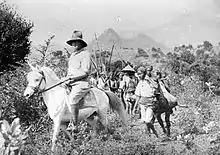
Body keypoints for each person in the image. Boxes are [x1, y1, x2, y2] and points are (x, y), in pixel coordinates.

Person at [62, 30, 91, 131]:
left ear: (80, 43)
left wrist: (72, 78)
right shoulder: (73, 55)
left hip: (81, 83)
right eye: (72, 42)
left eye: (76, 42)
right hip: (70, 82)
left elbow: (85, 72)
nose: (74, 44)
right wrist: (66, 79)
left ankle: (74, 125)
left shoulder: (85, 54)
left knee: (72, 99)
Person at [135, 66, 159, 137]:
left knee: (148, 121)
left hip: (150, 103)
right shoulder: (140, 83)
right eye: (138, 74)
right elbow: (137, 95)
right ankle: (149, 134)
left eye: (140, 74)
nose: (139, 75)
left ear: (144, 73)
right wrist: (135, 106)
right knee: (145, 121)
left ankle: (154, 131)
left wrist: (149, 79)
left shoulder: (150, 80)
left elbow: (156, 86)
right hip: (142, 103)